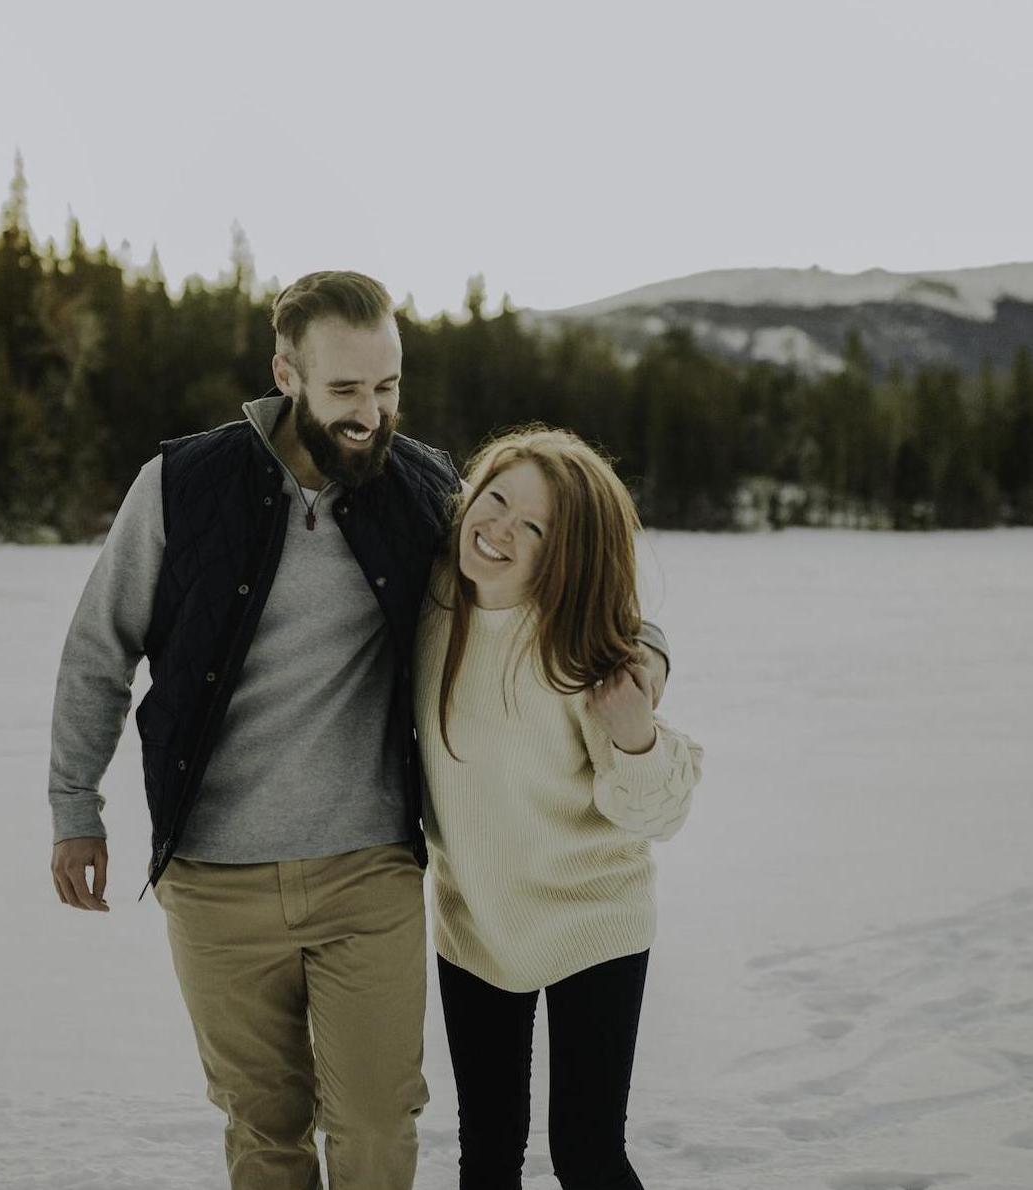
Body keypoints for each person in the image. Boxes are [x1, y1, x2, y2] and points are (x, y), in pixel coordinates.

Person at [47, 270, 670, 1189]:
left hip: (368, 871)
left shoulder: (420, 487)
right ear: (285, 373)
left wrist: (644, 653)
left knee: (378, 1130)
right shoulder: (183, 485)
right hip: (215, 880)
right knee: (265, 1131)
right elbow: (101, 649)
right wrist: (74, 807)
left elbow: (545, 572)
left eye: (387, 389)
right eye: (345, 391)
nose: (370, 415)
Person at [414, 426, 702, 1190]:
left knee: (586, 1153)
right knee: (487, 1153)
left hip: (592, 923)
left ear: (562, 555)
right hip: (474, 920)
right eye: (496, 499)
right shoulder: (428, 597)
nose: (500, 528)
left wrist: (636, 735)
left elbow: (657, 814)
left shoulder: (585, 654)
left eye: (533, 526)